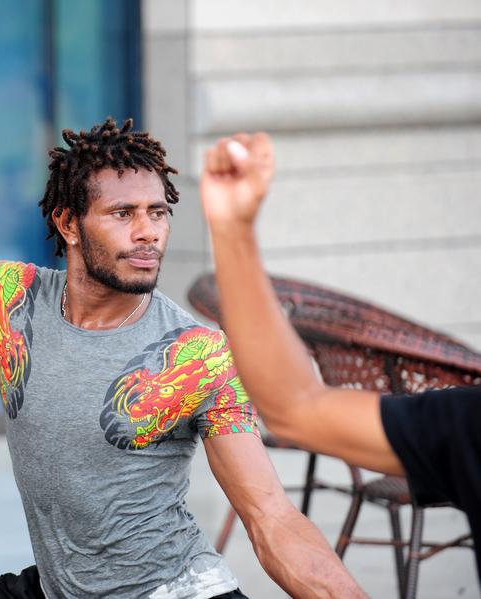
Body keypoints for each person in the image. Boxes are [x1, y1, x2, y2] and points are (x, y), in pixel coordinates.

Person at [0, 52, 367, 599]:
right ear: (69, 224)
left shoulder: (196, 356)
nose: (148, 232)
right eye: (123, 214)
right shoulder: (6, 301)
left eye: (158, 212)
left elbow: (271, 517)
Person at [198, 133, 481, 584]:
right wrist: (233, 229)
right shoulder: (469, 425)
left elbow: (296, 409)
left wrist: (233, 230)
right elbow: (295, 409)